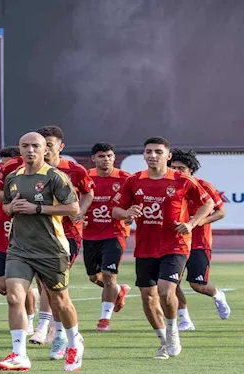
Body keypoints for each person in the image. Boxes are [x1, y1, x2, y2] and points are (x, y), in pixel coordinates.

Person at [112, 137, 213, 359]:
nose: (153, 155)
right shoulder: (134, 180)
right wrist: (127, 213)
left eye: (158, 151)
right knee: (148, 297)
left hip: (175, 245)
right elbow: (116, 210)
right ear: (144, 154)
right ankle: (164, 341)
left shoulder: (182, 180)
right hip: (145, 247)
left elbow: (208, 203)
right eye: (148, 151)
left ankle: (173, 332)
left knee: (166, 292)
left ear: (168, 155)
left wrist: (191, 223)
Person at [0, 132, 83, 372]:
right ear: (19, 150)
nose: (30, 150)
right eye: (25, 146)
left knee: (60, 301)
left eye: (35, 146)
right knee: (14, 297)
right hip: (19, 248)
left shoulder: (55, 177)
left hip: (51, 249)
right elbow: (7, 206)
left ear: (45, 150)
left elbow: (73, 208)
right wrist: (12, 207)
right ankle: (19, 354)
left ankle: (74, 343)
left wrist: (37, 208)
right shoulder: (13, 177)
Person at [30, 126, 93, 362]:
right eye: (41, 144)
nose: (45, 149)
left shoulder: (74, 170)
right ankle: (60, 330)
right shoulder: (28, 171)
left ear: (60, 146)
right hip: (40, 235)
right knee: (44, 285)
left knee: (54, 285)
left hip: (67, 235)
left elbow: (88, 192)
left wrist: (80, 211)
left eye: (49, 144)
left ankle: (56, 334)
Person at [167, 149, 230, 329]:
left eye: (181, 168)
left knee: (197, 285)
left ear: (191, 170)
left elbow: (221, 212)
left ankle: (217, 294)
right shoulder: (167, 188)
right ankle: (185, 320)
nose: (177, 172)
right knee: (171, 283)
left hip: (198, 243)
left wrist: (200, 221)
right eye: (174, 168)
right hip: (174, 243)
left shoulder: (204, 187)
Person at [83, 142, 132, 332]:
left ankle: (104, 320)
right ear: (93, 158)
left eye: (109, 156)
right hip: (89, 234)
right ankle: (119, 290)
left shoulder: (125, 178)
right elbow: (76, 200)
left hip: (115, 233)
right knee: (94, 277)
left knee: (109, 275)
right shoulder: (86, 177)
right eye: (101, 156)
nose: (106, 159)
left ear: (114, 158)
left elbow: (137, 200)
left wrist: (130, 215)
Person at [0, 147, 37, 335]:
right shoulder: (8, 174)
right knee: (2, 286)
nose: (4, 167)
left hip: (27, 239)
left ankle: (30, 321)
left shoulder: (40, 173)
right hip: (4, 236)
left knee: (21, 284)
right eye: (2, 164)